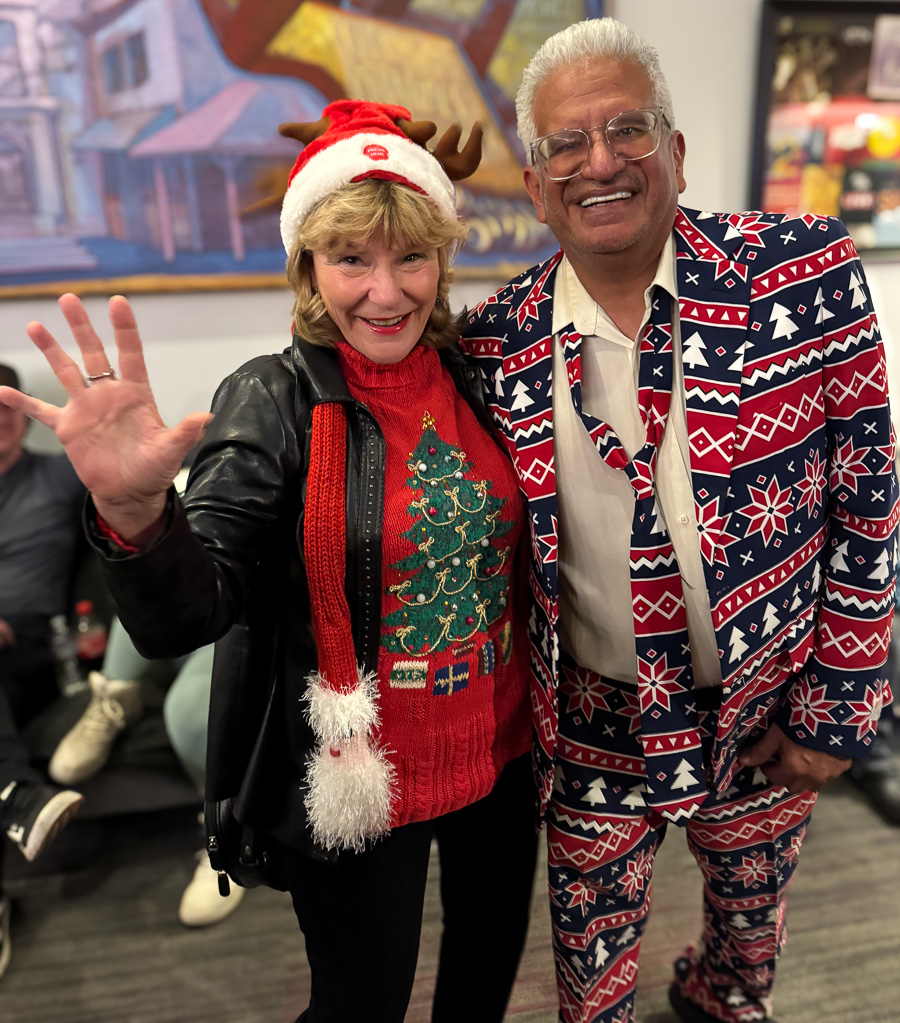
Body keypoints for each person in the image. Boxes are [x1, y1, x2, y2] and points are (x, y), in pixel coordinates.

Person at [0, 100, 538, 1022]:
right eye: (352, 259)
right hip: (359, 772)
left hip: (502, 747)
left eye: (412, 256)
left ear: (442, 260)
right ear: (307, 265)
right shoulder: (271, 397)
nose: (386, 292)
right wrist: (135, 513)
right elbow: (190, 613)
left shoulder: (476, 373)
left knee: (483, 983)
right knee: (359, 1005)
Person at [462, 18, 897, 1023]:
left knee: (748, 945)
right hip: (593, 721)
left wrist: (840, 708)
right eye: (566, 144)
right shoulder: (493, 342)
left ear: (677, 151)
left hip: (763, 710)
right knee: (589, 975)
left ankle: (717, 997)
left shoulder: (805, 272)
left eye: (629, 129)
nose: (600, 161)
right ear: (535, 186)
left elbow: (869, 500)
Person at [48, 616, 237, 925]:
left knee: (188, 711)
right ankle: (116, 698)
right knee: (146, 590)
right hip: (188, 615)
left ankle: (227, 833)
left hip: (240, 621)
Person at [0, 362, 86, 979]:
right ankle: (17, 798)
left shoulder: (58, 475)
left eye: (6, 408)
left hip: (36, 649)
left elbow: (142, 491)